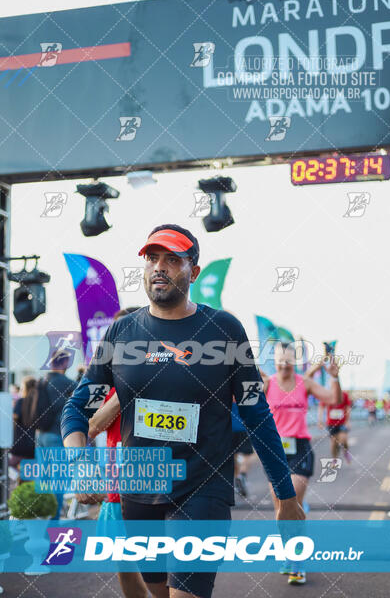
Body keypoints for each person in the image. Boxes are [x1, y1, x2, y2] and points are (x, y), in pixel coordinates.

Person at [62, 224, 304, 598]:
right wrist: (80, 467)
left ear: (194, 271)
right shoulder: (121, 333)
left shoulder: (224, 330)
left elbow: (257, 415)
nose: (159, 267)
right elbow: (77, 409)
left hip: (203, 488)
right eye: (152, 259)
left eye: (172, 259)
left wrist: (286, 497)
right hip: (140, 491)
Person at [260, 343, 341, 585]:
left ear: (294, 361)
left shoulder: (303, 382)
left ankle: (297, 561)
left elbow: (333, 399)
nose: (284, 364)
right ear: (274, 361)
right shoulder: (268, 383)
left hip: (300, 449)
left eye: (288, 360)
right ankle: (288, 551)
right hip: (274, 450)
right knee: (280, 508)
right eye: (280, 360)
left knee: (291, 501)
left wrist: (335, 378)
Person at [88, 306, 148, 598]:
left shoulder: (164, 370)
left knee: (160, 564)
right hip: (117, 485)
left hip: (159, 482)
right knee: (124, 563)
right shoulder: (106, 380)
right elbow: (94, 425)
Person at [37, 349, 77, 518]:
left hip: (41, 435)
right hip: (56, 435)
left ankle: (39, 519)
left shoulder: (43, 380)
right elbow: (85, 394)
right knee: (58, 480)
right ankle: (52, 522)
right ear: (64, 363)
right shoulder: (65, 382)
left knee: (43, 480)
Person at [9, 376, 36, 480]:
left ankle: (19, 478)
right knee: (29, 471)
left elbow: (15, 416)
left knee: (9, 465)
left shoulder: (21, 401)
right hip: (32, 443)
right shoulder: (36, 402)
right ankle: (23, 480)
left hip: (20, 443)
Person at [318, 389, 352, 463]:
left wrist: (348, 420)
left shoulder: (344, 394)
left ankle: (346, 452)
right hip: (331, 424)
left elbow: (348, 407)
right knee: (334, 443)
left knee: (343, 439)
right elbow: (321, 407)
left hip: (342, 423)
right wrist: (320, 421)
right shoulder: (327, 394)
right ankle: (334, 459)